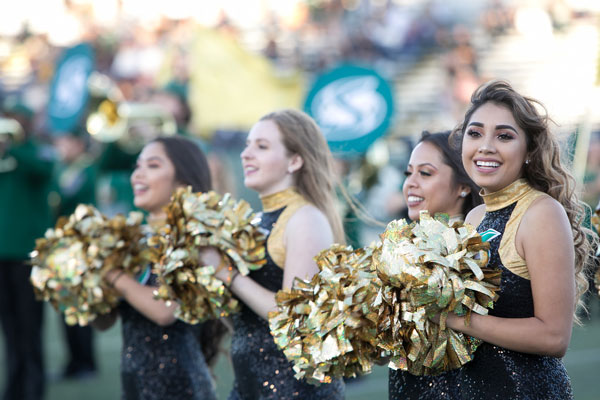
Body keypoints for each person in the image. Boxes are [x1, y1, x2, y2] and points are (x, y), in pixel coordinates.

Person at [430, 80, 593, 399]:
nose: (485, 146)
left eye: (504, 136)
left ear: (530, 150)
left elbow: (553, 336)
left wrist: (456, 319)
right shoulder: (475, 217)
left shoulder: (541, 213)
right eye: (475, 133)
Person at [201, 109, 346, 399]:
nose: (246, 154)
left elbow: (293, 316)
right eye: (247, 145)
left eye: (261, 146)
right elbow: (247, 318)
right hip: (249, 385)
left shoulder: (305, 218)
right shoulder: (256, 220)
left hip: (293, 389)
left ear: (295, 160)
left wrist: (225, 272)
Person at [92, 136, 226, 400]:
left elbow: (166, 311)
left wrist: (112, 274)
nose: (137, 175)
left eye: (152, 166)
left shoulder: (192, 237)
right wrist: (89, 287)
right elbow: (104, 322)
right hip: (134, 384)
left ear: (183, 181)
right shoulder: (134, 239)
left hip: (179, 385)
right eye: (137, 166)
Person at [388, 130, 482, 399]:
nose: (410, 184)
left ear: (463, 186)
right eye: (408, 174)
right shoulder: (405, 250)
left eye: (425, 173)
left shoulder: (474, 254)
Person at [0, 99, 53, 400]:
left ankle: (34, 388)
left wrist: (14, 148)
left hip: (28, 256)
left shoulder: (36, 151)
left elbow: (45, 170)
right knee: (9, 329)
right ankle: (13, 387)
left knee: (30, 328)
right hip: (2, 256)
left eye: (17, 118)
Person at [51, 130, 98, 380]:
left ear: (79, 144)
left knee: (79, 305)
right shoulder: (63, 167)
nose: (61, 146)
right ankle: (73, 362)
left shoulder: (84, 168)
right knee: (65, 305)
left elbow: (63, 195)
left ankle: (86, 362)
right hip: (63, 245)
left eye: (65, 141)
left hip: (79, 245)